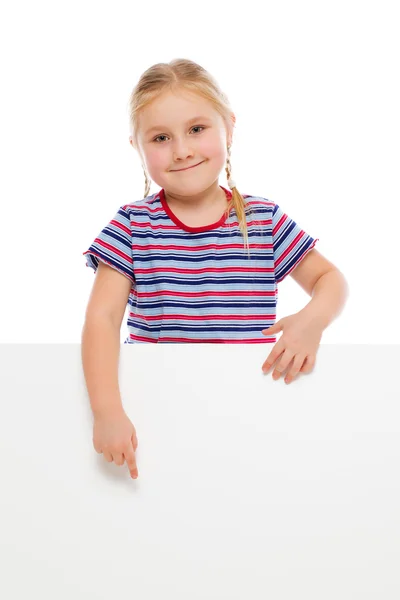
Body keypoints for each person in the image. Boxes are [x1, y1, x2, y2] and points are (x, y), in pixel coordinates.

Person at [81, 58, 348, 480]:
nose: (182, 149)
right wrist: (107, 411)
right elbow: (102, 317)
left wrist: (311, 321)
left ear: (229, 127)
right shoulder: (133, 225)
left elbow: (330, 280)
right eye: (161, 137)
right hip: (157, 407)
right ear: (136, 146)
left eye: (197, 129)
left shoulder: (262, 220)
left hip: (248, 407)